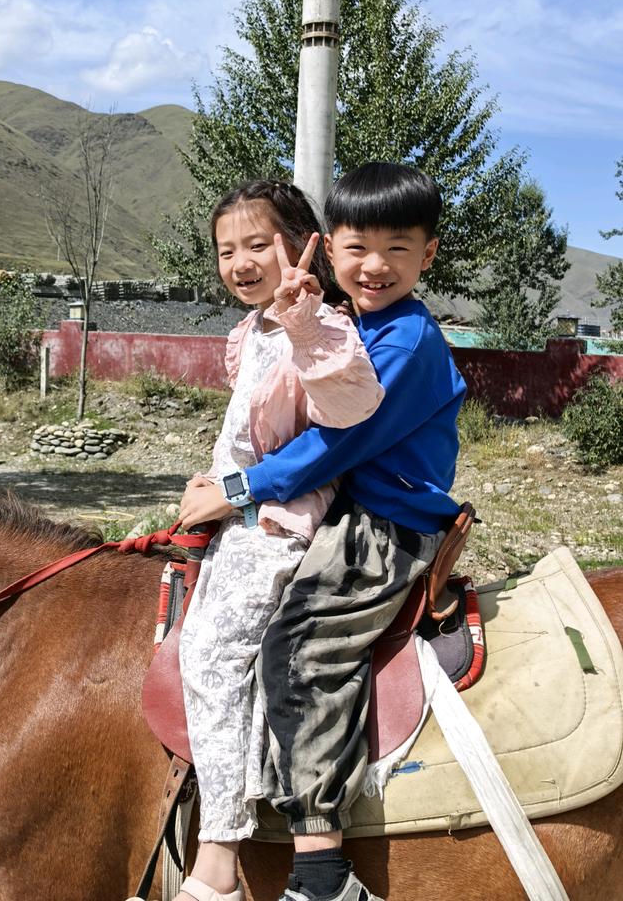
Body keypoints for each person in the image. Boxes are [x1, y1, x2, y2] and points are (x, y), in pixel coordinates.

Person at [179, 163, 467, 901]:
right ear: (330, 249)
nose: (375, 266)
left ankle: (323, 874)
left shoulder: (403, 341)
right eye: (357, 248)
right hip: (343, 508)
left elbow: (339, 443)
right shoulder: (345, 322)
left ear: (428, 255)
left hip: (384, 522)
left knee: (301, 646)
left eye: (397, 250)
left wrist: (238, 492)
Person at [171, 179, 384, 901]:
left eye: (257, 244)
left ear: (303, 245)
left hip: (277, 521)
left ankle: (220, 850)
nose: (239, 262)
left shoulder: (316, 323)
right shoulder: (253, 331)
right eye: (226, 250)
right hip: (235, 513)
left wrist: (304, 323)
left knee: (213, 649)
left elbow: (351, 403)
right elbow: (240, 436)